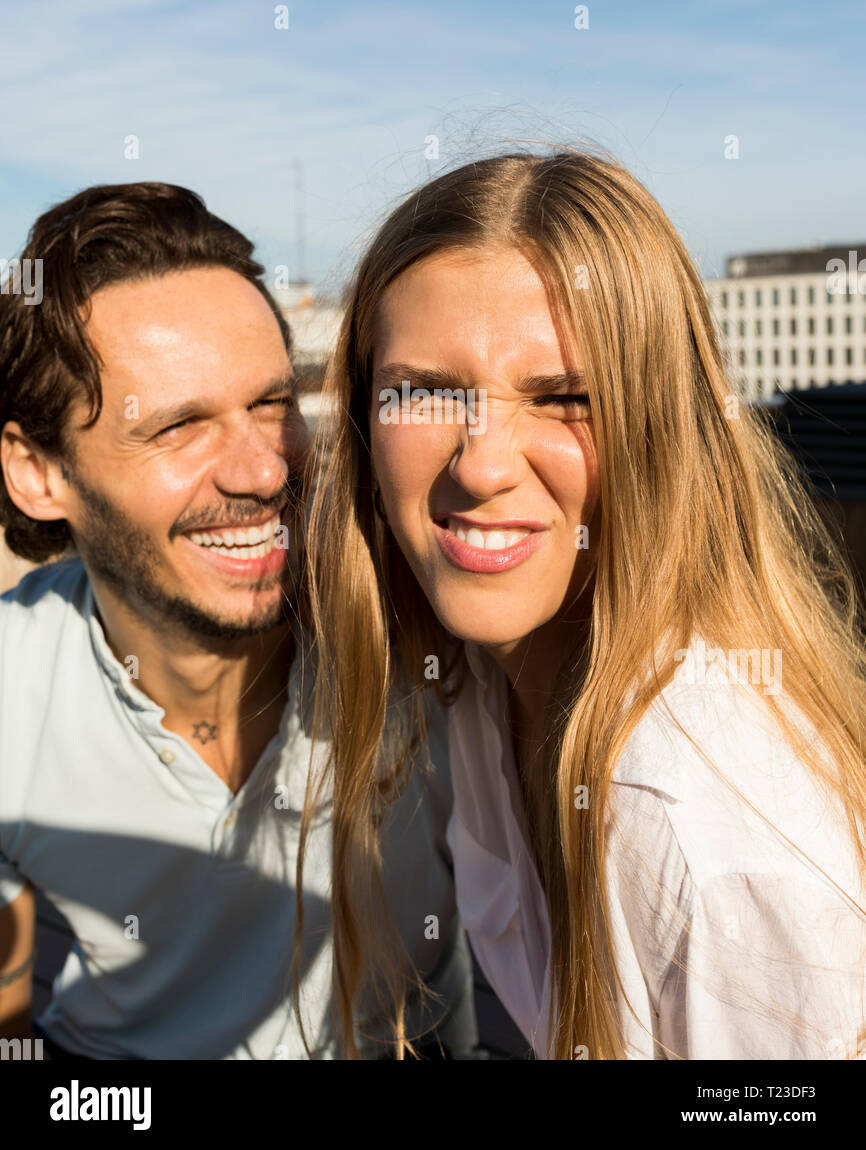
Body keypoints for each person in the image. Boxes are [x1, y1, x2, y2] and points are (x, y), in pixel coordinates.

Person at [306, 149, 866, 1059]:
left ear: (663, 429)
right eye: (425, 393)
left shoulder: (696, 821)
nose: (481, 464)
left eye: (565, 397)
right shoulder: (495, 676)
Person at [0, 182, 476, 1060]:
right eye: (178, 427)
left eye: (270, 403)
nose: (262, 471)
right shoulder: (12, 690)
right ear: (37, 471)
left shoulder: (437, 637)